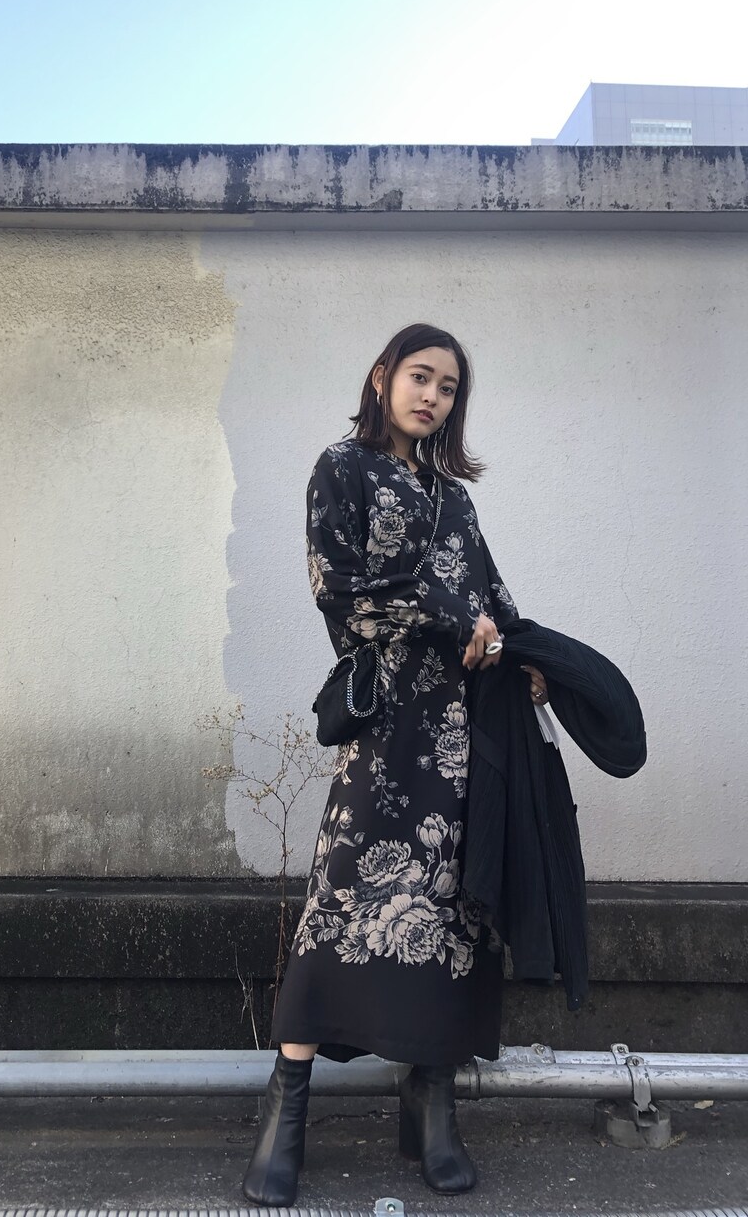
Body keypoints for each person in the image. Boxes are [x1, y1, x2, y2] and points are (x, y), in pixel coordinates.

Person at [242, 322, 550, 1204]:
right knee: (343, 898)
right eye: (420, 377)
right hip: (387, 730)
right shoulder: (341, 468)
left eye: (448, 388)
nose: (432, 397)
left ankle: (432, 1104)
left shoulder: (455, 498)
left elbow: (493, 595)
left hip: (464, 732)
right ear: (382, 377)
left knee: (452, 909)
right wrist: (453, 620)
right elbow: (338, 590)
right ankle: (287, 1105)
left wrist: (527, 656)